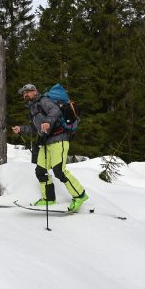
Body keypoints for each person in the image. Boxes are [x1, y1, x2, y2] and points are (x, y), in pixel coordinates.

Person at [12, 83, 89, 212]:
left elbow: (55, 111)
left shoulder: (44, 100)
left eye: (28, 91)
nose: (25, 94)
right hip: (45, 143)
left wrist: (47, 122)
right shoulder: (32, 109)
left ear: (35, 91)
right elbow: (34, 128)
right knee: (40, 171)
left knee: (59, 171)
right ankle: (48, 199)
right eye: (23, 93)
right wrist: (21, 129)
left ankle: (80, 195)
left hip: (59, 140)